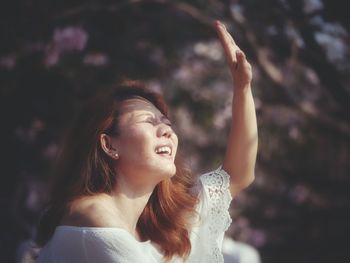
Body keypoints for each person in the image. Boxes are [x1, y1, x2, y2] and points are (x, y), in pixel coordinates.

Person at [35, 20, 258, 263]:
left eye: (166, 123)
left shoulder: (159, 227)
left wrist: (242, 87)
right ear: (109, 145)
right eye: (147, 121)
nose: (166, 130)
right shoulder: (92, 218)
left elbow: (236, 176)